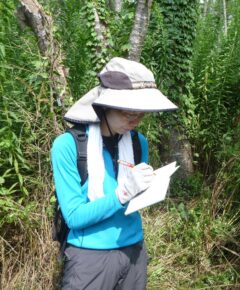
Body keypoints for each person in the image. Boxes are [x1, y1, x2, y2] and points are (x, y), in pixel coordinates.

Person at [51, 57, 177, 290]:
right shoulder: (68, 146)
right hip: (89, 257)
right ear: (105, 106)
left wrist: (149, 187)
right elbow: (75, 217)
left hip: (133, 252)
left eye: (141, 113)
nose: (135, 120)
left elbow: (133, 205)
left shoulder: (138, 143)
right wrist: (123, 193)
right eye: (129, 113)